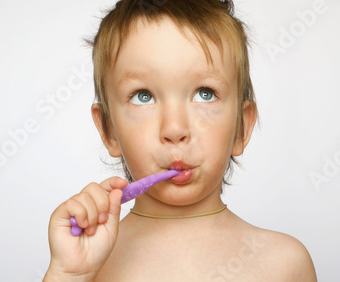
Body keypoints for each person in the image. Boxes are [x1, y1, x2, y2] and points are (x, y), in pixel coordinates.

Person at [44, 0, 317, 280]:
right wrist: (68, 274)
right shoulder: (87, 264)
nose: (174, 129)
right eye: (143, 96)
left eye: (205, 93)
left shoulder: (284, 264)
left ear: (241, 127)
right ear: (108, 129)